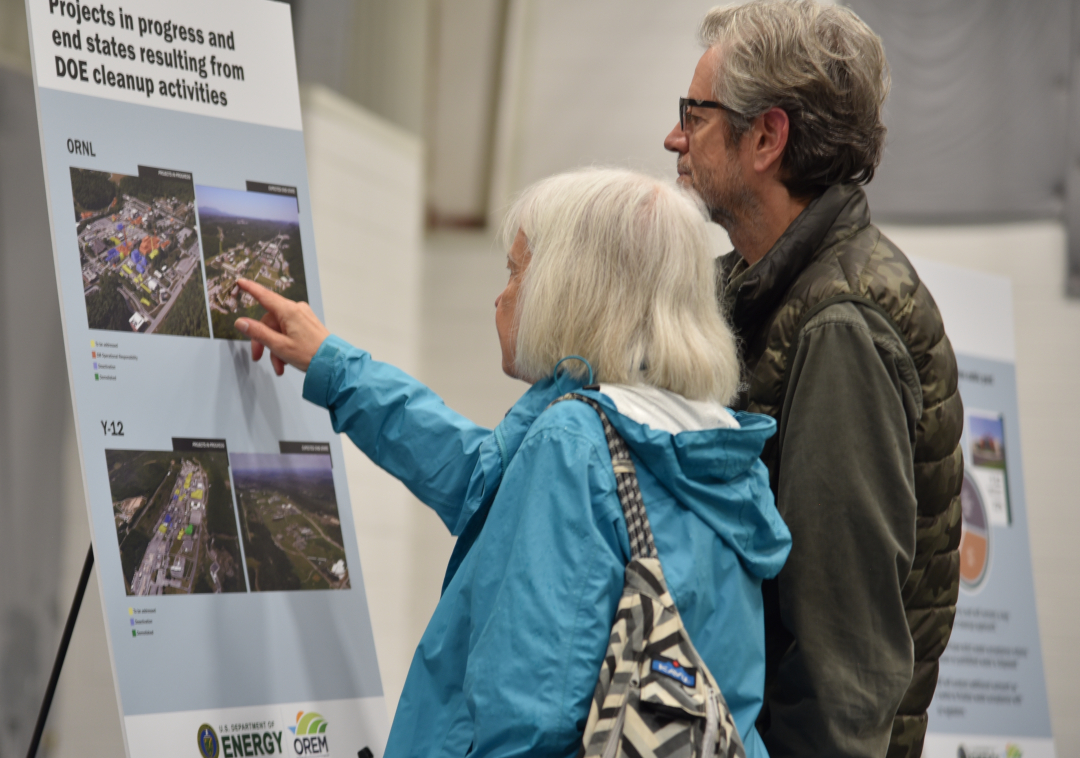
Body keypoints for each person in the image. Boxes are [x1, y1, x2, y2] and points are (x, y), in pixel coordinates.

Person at [233, 168, 791, 758]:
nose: (501, 295)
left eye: (516, 270)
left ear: (571, 286)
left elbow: (530, 718)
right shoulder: (714, 450)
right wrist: (333, 365)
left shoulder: (575, 441)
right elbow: (485, 479)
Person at [662, 3, 964, 758]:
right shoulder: (761, 291)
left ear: (766, 137)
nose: (674, 137)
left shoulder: (843, 323)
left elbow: (845, 663)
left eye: (694, 114)